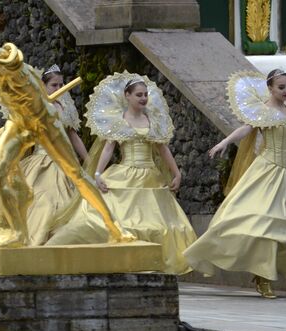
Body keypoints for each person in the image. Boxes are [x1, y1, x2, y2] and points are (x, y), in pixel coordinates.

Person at [0, 33, 134, 248]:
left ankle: (114, 226)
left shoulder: (5, 60)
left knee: (76, 175)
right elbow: (15, 108)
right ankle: (15, 233)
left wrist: (4, 54)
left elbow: (15, 59)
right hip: (20, 124)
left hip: (44, 122)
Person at [46, 72, 197, 274]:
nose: (143, 98)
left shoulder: (152, 120)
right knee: (117, 219)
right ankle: (124, 259)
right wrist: (98, 174)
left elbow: (162, 149)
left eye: (145, 95)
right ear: (127, 96)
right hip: (125, 173)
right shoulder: (119, 121)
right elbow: (109, 148)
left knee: (156, 222)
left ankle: (155, 261)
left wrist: (176, 173)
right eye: (138, 95)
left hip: (150, 176)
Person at [183, 69, 286, 298]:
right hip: (267, 171)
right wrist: (224, 142)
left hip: (285, 175)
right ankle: (261, 277)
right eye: (281, 87)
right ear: (270, 89)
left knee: (282, 227)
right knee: (258, 222)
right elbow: (246, 128)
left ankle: (264, 274)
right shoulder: (265, 111)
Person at [0, 65, 88, 249]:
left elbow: (73, 136)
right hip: (42, 160)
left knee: (69, 201)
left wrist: (87, 159)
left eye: (61, 84)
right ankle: (33, 240)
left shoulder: (65, 107)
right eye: (54, 85)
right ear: (42, 86)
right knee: (42, 199)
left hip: (65, 162)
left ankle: (59, 242)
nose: (59, 88)